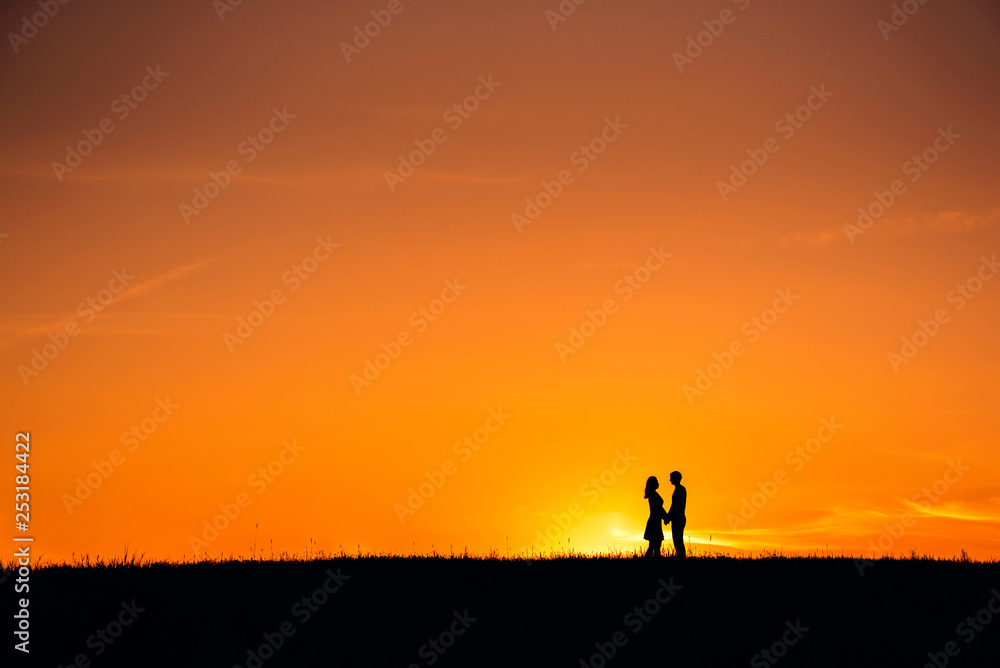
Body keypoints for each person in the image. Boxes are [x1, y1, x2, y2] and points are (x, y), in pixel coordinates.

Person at [643, 476, 668, 558]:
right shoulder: (653, 495)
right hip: (654, 521)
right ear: (653, 484)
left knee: (655, 544)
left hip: (655, 520)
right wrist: (665, 517)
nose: (658, 483)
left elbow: (659, 508)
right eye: (656, 482)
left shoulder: (653, 494)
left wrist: (665, 516)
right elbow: (658, 508)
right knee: (655, 545)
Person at [665, 470, 687, 558]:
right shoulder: (678, 489)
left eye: (671, 478)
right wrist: (669, 516)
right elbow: (673, 505)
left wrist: (668, 516)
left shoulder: (681, 489)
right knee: (677, 540)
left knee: (678, 540)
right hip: (676, 518)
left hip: (678, 518)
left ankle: (681, 557)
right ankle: (680, 557)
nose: (670, 480)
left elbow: (676, 505)